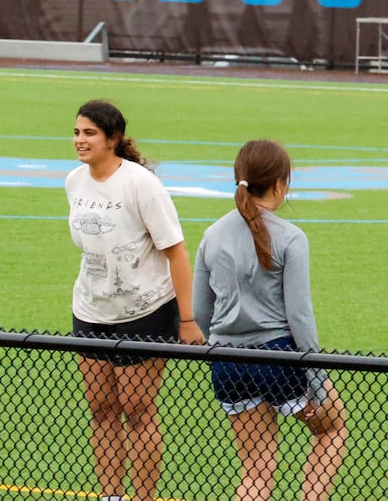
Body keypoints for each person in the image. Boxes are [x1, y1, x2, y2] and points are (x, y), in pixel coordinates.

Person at [193, 140, 347, 501]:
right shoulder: (291, 237)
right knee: (332, 430)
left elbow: (201, 311)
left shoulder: (212, 235)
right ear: (280, 184)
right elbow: (299, 316)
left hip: (226, 363)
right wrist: (318, 380)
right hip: (278, 359)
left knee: (256, 473)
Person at [65, 99, 201, 501]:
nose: (79, 140)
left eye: (89, 133)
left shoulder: (141, 184)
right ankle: (111, 496)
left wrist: (187, 319)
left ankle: (142, 497)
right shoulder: (73, 181)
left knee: (138, 411)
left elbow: (176, 250)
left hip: (144, 314)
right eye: (76, 132)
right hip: (90, 310)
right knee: (101, 409)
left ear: (114, 139)